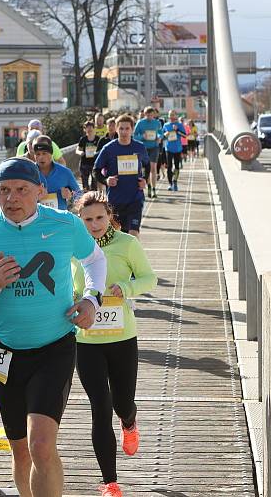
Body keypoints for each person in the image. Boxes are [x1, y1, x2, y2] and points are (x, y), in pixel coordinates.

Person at [0, 157, 106, 497]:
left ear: (40, 191)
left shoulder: (65, 224)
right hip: (6, 353)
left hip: (54, 346)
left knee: (40, 445)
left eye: (22, 190)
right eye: (4, 190)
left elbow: (95, 259)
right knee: (20, 450)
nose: (12, 199)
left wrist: (92, 300)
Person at [71, 192, 157, 497]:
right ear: (79, 220)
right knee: (100, 407)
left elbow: (150, 278)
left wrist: (127, 287)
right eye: (87, 219)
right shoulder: (72, 248)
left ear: (109, 215)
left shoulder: (127, 244)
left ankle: (130, 423)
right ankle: (110, 482)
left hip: (122, 339)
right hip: (87, 340)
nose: (94, 225)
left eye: (99, 218)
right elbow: (63, 283)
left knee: (121, 404)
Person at [93, 115, 150, 236]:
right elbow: (96, 170)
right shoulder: (108, 149)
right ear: (116, 129)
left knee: (133, 234)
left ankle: (134, 255)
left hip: (135, 198)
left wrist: (145, 179)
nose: (124, 132)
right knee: (118, 236)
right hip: (115, 200)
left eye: (127, 128)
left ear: (132, 130)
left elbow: (147, 165)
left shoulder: (139, 147)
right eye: (121, 128)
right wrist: (106, 180)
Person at [34, 135, 80, 210]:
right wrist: (36, 198)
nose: (41, 157)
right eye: (38, 154)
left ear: (51, 153)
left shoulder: (65, 172)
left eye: (44, 153)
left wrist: (70, 197)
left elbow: (79, 195)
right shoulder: (28, 174)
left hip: (60, 219)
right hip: (38, 220)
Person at [132, 107, 162, 198]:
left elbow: (161, 132)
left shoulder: (157, 123)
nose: (149, 117)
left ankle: (154, 189)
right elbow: (134, 136)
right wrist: (142, 136)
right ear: (144, 114)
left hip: (154, 147)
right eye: (148, 115)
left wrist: (159, 137)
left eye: (151, 115)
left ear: (154, 114)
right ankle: (148, 186)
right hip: (143, 148)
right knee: (146, 169)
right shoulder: (140, 123)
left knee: (153, 168)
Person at [163, 111, 186, 191]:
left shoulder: (179, 125)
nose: (172, 116)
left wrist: (177, 130)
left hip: (177, 148)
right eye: (170, 115)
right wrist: (164, 135)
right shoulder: (166, 125)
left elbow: (184, 135)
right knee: (169, 167)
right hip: (168, 148)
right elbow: (162, 136)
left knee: (176, 166)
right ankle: (170, 184)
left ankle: (175, 181)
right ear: (168, 116)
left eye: (173, 115)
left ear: (176, 116)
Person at [76, 121, 100, 191]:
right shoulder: (83, 139)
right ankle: (86, 200)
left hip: (95, 164)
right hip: (84, 164)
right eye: (87, 128)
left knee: (94, 184)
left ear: (94, 128)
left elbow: (102, 150)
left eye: (91, 127)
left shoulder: (98, 139)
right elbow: (77, 149)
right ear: (84, 129)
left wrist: (97, 152)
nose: (89, 129)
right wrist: (80, 152)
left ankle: (94, 200)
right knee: (85, 185)